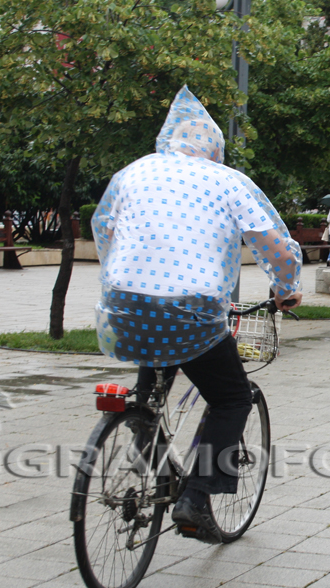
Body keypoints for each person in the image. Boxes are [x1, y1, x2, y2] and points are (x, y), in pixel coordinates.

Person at [91, 86, 303, 543]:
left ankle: (157, 462)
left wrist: (119, 274)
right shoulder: (228, 180)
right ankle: (196, 499)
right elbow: (274, 243)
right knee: (231, 398)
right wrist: (287, 290)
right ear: (213, 146)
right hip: (190, 308)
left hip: (125, 302)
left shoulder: (131, 172)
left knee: (149, 393)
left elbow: (102, 226)